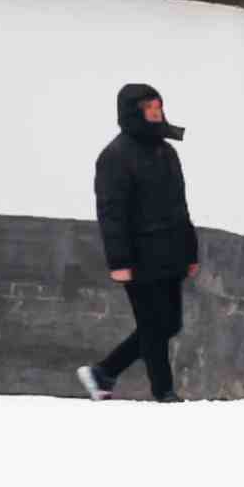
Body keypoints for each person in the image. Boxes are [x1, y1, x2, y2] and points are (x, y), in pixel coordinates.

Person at [79, 83, 204, 403]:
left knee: (169, 323)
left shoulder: (167, 151)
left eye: (158, 105)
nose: (156, 111)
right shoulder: (115, 156)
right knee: (152, 325)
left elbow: (181, 205)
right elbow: (111, 213)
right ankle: (164, 392)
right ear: (133, 111)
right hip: (140, 256)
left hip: (171, 252)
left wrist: (190, 251)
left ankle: (103, 371)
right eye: (149, 106)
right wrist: (119, 262)